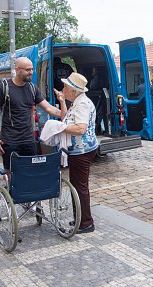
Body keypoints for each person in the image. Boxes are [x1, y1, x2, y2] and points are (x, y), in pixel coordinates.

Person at [0, 57, 66, 176]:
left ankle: (27, 194)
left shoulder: (32, 88)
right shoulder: (4, 87)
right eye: (27, 70)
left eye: (32, 69)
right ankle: (12, 193)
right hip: (10, 140)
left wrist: (64, 108)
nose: (31, 72)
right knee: (11, 174)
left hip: (29, 140)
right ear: (17, 69)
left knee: (30, 172)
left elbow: (49, 108)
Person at [54, 72, 98, 234]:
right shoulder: (77, 102)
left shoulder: (82, 105)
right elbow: (65, 119)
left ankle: (86, 223)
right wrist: (62, 102)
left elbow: (80, 128)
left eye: (65, 87)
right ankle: (80, 218)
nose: (63, 88)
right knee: (77, 186)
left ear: (73, 91)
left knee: (80, 187)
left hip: (82, 151)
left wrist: (59, 128)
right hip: (79, 150)